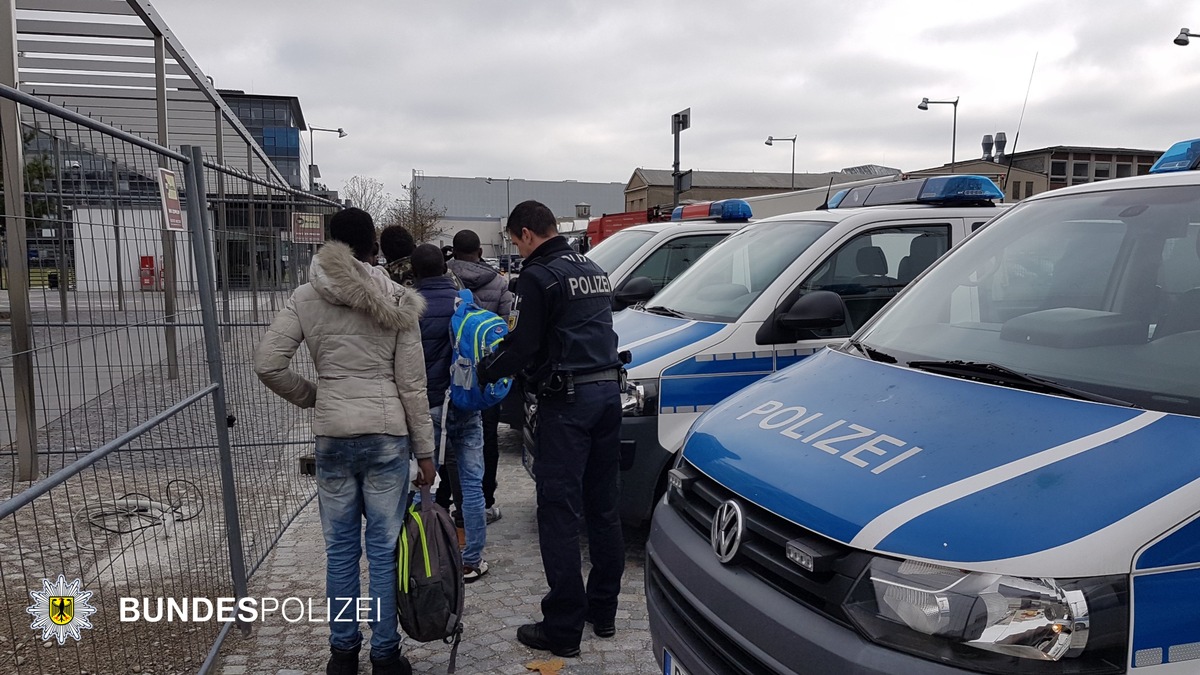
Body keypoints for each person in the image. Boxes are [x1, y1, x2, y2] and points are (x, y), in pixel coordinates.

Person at [253, 207, 436, 675]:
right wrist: (427, 453)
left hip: (333, 435)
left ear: (331, 241)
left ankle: (342, 655)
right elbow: (413, 386)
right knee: (383, 547)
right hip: (387, 436)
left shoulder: (304, 295)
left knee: (339, 551)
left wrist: (317, 396)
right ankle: (385, 654)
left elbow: (268, 364)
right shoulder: (397, 298)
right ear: (372, 243)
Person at [479, 201, 625, 658]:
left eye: (515, 242)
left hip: (568, 405)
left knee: (559, 514)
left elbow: (522, 344)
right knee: (603, 510)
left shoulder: (538, 277)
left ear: (526, 234)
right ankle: (602, 612)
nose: (516, 251)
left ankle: (562, 628)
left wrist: (486, 371)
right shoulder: (594, 269)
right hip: (607, 395)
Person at [410, 243, 490, 583]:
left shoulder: (409, 307)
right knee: (471, 484)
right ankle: (471, 559)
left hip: (427, 406)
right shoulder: (465, 301)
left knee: (421, 483)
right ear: (445, 268)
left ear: (413, 274)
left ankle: (415, 551)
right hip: (465, 402)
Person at [444, 229, 513, 524]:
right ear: (480, 251)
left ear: (454, 251)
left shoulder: (445, 280)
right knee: (487, 438)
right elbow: (507, 329)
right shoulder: (499, 283)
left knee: (449, 440)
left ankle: (445, 499)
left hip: (452, 376)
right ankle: (485, 501)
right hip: (487, 376)